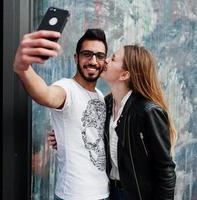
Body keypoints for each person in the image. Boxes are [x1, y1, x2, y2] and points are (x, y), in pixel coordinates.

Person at [49, 44, 177, 200]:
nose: (106, 61)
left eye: (113, 59)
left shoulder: (147, 111)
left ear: (124, 75)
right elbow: (94, 139)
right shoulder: (106, 104)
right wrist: (63, 137)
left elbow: (165, 170)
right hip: (110, 193)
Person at [14, 29, 110, 200]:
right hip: (75, 195)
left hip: (103, 192)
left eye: (99, 56)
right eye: (87, 54)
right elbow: (45, 94)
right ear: (76, 58)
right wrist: (23, 68)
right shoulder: (67, 88)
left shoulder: (100, 97)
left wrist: (63, 139)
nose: (93, 61)